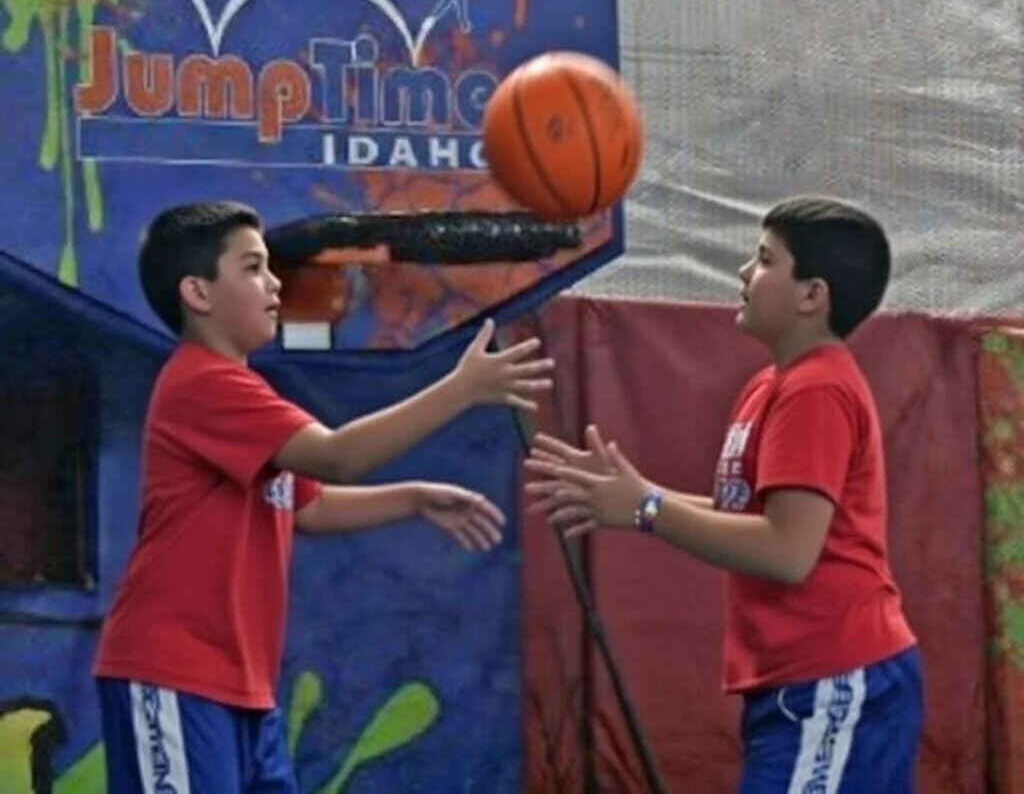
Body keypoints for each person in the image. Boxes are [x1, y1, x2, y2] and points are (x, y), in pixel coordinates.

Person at [93, 200, 554, 793]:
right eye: (253, 267)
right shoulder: (202, 383)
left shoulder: (238, 390)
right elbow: (337, 455)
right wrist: (459, 391)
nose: (274, 283)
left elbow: (305, 504)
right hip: (173, 676)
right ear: (198, 293)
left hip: (243, 689)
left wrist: (411, 498)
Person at [525, 194, 922, 792]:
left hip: (835, 680)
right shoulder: (771, 385)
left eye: (764, 260)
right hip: (797, 685)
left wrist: (647, 508)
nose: (743, 272)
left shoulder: (817, 391)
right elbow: (751, 516)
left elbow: (787, 551)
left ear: (812, 296)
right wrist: (633, 497)